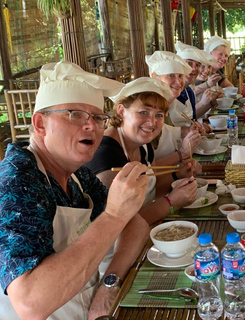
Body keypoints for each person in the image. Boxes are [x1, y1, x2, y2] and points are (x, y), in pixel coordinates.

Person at [0, 61, 150, 320]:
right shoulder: (15, 181)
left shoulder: (78, 174)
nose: (91, 126)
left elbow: (136, 225)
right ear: (40, 124)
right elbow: (30, 303)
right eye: (75, 114)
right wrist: (113, 216)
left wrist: (109, 284)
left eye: (98, 118)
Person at [86, 77, 198, 226]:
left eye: (159, 115)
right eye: (144, 112)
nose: (152, 122)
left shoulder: (142, 144)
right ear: (121, 111)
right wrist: (171, 203)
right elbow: (117, 225)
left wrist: (176, 175)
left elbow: (150, 187)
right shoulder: (106, 155)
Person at [145, 51, 205, 161]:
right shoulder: (150, 110)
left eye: (180, 76)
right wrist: (183, 153)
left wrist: (187, 130)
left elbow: (167, 130)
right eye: (171, 75)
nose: (178, 82)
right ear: (154, 76)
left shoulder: (164, 107)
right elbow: (148, 167)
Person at [175, 41, 221, 118]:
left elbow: (192, 117)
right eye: (189, 63)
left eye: (197, 65)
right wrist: (203, 103)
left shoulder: (188, 90)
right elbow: (179, 120)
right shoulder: (172, 91)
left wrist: (211, 103)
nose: (193, 68)